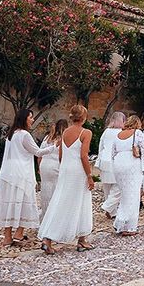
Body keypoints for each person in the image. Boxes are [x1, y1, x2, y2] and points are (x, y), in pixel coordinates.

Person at [0, 109, 55, 247]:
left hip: (8, 173)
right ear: (24, 119)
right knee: (23, 201)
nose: (32, 120)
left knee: (10, 203)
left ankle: (8, 236)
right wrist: (54, 147)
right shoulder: (24, 135)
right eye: (30, 117)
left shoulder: (11, 134)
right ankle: (19, 233)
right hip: (21, 173)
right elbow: (37, 152)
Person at [39, 105, 94, 254]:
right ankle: (82, 240)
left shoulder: (65, 133)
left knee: (60, 201)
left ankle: (47, 238)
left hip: (65, 169)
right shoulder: (86, 132)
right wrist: (89, 175)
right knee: (81, 202)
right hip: (78, 171)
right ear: (84, 117)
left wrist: (65, 168)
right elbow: (84, 156)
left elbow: (61, 155)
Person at [111, 115, 144, 236]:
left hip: (119, 163)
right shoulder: (137, 133)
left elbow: (113, 152)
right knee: (133, 194)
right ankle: (128, 225)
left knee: (124, 194)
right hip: (132, 163)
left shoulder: (118, 135)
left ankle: (119, 222)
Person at [96, 111, 126, 219]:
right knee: (119, 186)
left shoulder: (106, 132)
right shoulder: (121, 133)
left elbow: (101, 146)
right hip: (115, 161)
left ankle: (112, 212)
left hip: (104, 160)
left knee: (107, 187)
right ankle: (108, 206)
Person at [38, 119, 69, 220]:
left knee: (45, 190)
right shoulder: (64, 139)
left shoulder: (47, 138)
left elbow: (40, 154)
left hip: (45, 165)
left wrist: (39, 167)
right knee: (56, 191)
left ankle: (45, 213)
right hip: (56, 166)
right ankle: (54, 217)